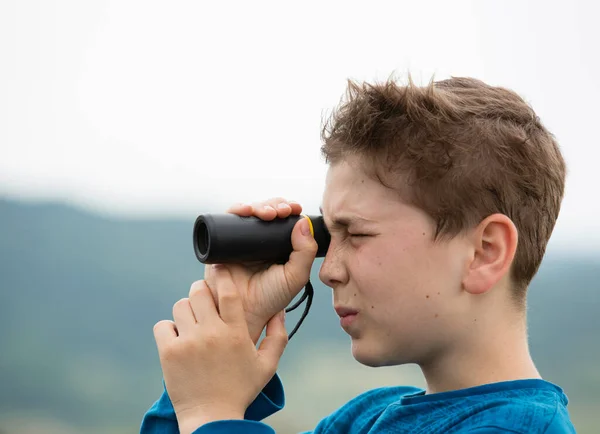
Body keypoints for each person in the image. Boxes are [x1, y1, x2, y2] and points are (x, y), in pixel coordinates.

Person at [140, 76, 576, 433]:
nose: (327, 270)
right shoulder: (364, 419)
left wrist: (212, 414)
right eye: (327, 235)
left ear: (484, 253)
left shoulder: (518, 429)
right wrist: (233, 327)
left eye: (357, 233)